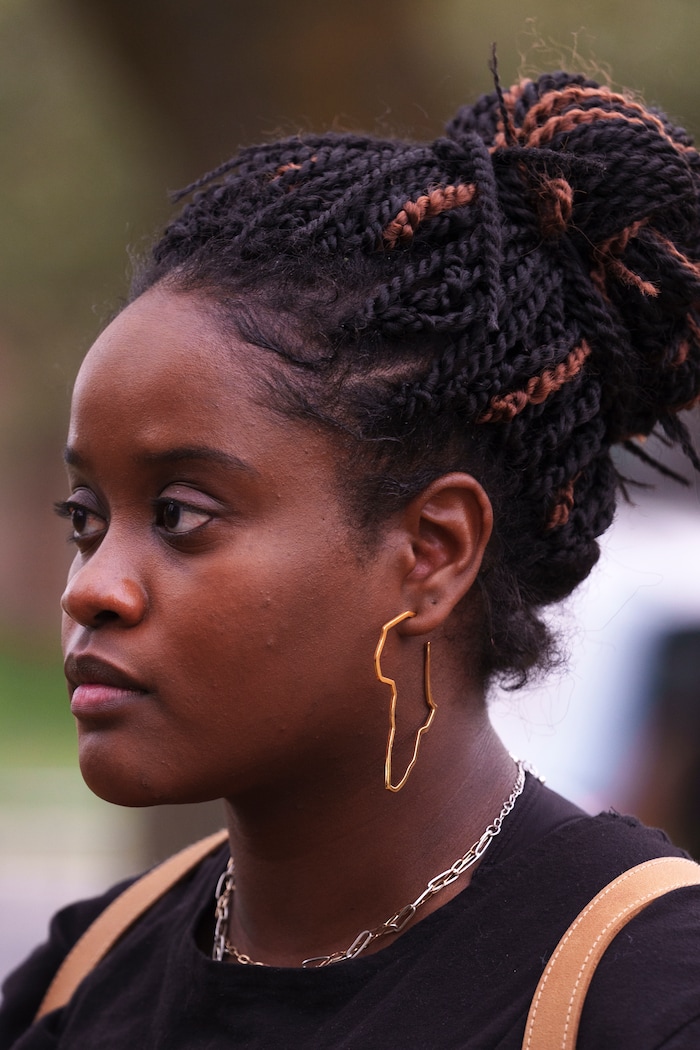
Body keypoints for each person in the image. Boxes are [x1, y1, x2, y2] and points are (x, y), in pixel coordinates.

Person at [2, 68, 700, 1049]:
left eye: (179, 513)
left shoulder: (641, 998)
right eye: (85, 518)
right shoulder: (80, 980)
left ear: (431, 550)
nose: (93, 589)